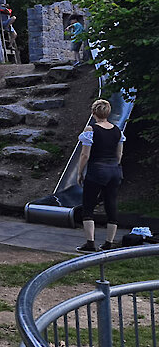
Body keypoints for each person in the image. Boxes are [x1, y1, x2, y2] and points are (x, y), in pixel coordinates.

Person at [76, 99, 126, 253]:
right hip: (114, 171)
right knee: (111, 204)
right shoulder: (118, 130)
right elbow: (119, 153)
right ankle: (108, 243)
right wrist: (114, 166)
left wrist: (79, 172)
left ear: (93, 113)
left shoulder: (91, 129)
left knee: (88, 206)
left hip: (97, 170)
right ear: (108, 113)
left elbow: (85, 154)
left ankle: (90, 244)